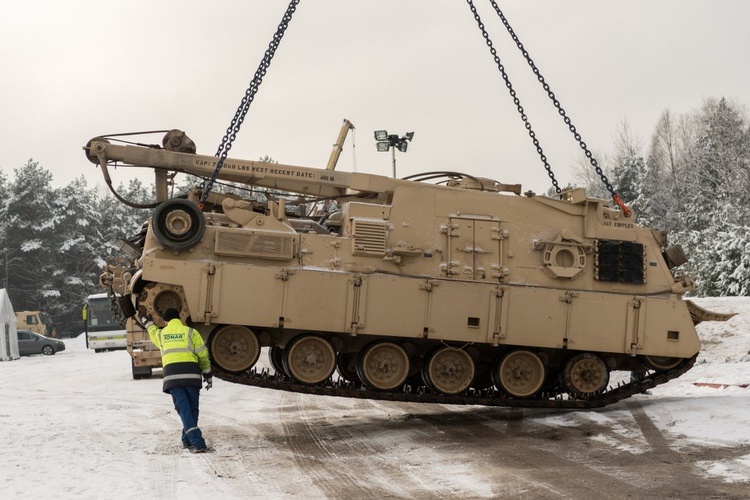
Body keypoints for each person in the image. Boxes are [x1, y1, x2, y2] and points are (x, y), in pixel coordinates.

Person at [142, 308, 213, 453]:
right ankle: (192, 441)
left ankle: (193, 442)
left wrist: (146, 320)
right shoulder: (191, 332)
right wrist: (207, 373)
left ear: (166, 321)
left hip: (173, 378)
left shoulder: (162, 334)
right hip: (192, 376)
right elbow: (203, 354)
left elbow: (152, 330)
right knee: (193, 410)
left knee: (185, 410)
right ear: (179, 319)